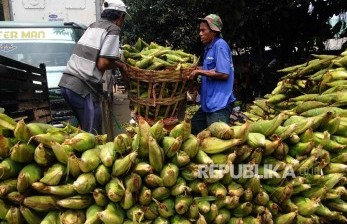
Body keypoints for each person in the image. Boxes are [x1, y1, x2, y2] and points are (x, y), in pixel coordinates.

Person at [58, 0, 130, 134]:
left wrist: (119, 64)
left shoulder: (93, 26)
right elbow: (102, 63)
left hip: (67, 84)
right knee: (93, 135)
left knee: (84, 134)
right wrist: (121, 65)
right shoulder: (113, 29)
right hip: (82, 88)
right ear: (120, 17)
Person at [188, 14, 236, 135]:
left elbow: (223, 73)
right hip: (207, 105)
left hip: (219, 106)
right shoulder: (209, 48)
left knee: (218, 140)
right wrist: (194, 69)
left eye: (203, 30)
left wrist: (198, 71)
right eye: (200, 30)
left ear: (214, 31)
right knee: (192, 129)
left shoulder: (220, 45)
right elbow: (209, 69)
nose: (200, 33)